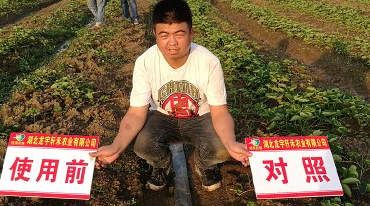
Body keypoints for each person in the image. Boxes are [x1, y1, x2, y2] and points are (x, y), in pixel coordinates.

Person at [90, 0, 252, 191]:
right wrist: (116, 147)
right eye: (164, 35)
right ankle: (160, 164)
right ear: (155, 35)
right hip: (162, 117)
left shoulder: (209, 62)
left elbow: (220, 112)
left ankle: (205, 164)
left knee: (222, 147)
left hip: (201, 118)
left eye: (179, 34)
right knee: (141, 143)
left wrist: (230, 142)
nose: (172, 42)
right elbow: (135, 113)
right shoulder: (145, 62)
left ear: (191, 33)